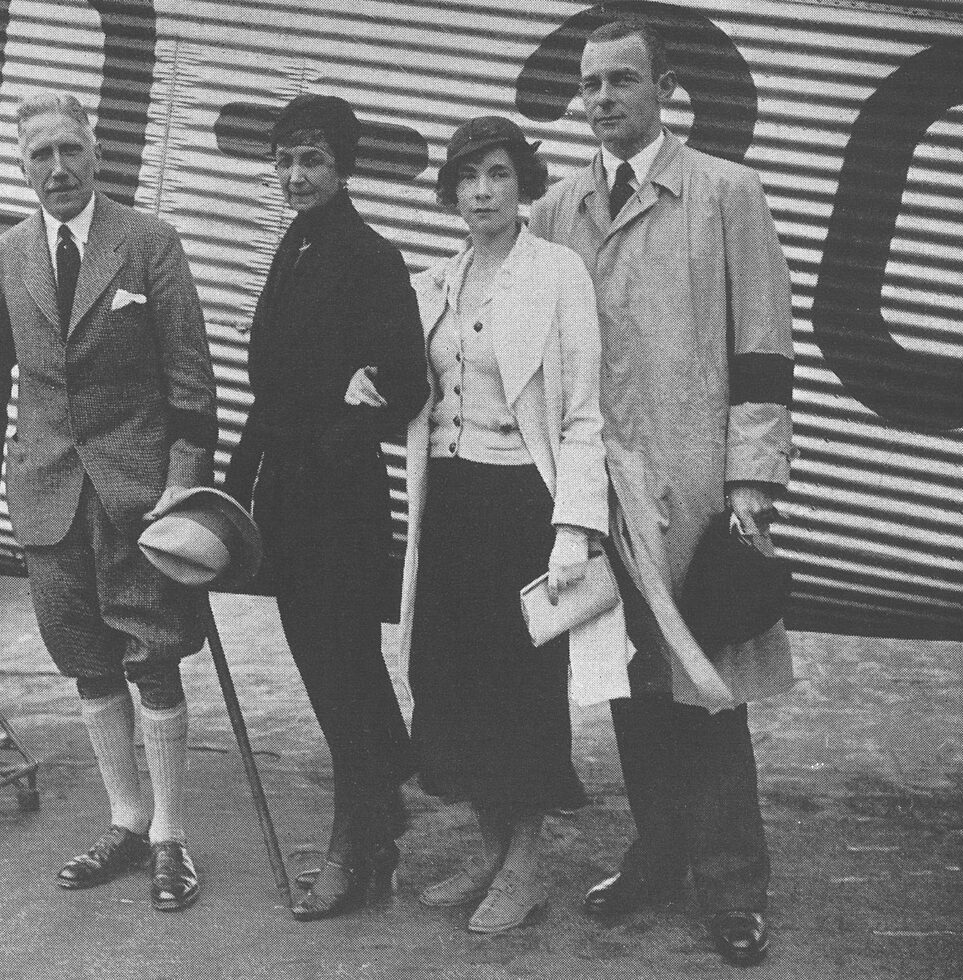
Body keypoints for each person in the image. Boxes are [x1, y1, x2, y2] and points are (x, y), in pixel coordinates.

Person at [530, 17, 796, 965]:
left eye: (622, 80)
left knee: (705, 686)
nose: (603, 99)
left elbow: (763, 346)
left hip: (694, 487)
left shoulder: (726, 193)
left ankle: (732, 882)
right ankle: (657, 855)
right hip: (597, 488)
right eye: (590, 84)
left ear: (665, 86)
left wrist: (752, 479)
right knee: (630, 681)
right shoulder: (556, 208)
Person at [0, 91, 217, 912]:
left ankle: (171, 835)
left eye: (70, 149)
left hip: (138, 499)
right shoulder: (4, 256)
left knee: (153, 657)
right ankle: (126, 820)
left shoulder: (148, 242)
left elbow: (192, 381)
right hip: (46, 496)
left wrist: (182, 481)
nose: (59, 168)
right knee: (87, 661)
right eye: (41, 155)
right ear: (22, 166)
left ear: (95, 153)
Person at [392, 116, 610, 935]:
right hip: (448, 504)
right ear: (450, 192)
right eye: (467, 177)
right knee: (453, 683)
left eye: (498, 175)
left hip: (522, 507)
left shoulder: (557, 274)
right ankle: (490, 851)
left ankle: (526, 865)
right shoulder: (434, 281)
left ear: (523, 186)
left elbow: (583, 413)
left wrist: (572, 528)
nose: (482, 192)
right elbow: (414, 390)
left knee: (520, 691)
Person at [222, 94, 429, 922]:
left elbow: (407, 384)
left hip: (339, 504)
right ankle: (382, 803)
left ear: (343, 166)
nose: (294, 175)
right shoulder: (297, 244)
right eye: (283, 159)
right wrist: (228, 493)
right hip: (288, 500)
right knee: (331, 667)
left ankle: (355, 840)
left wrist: (336, 436)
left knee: (342, 672)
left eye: (311, 159)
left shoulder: (370, 255)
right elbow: (272, 391)